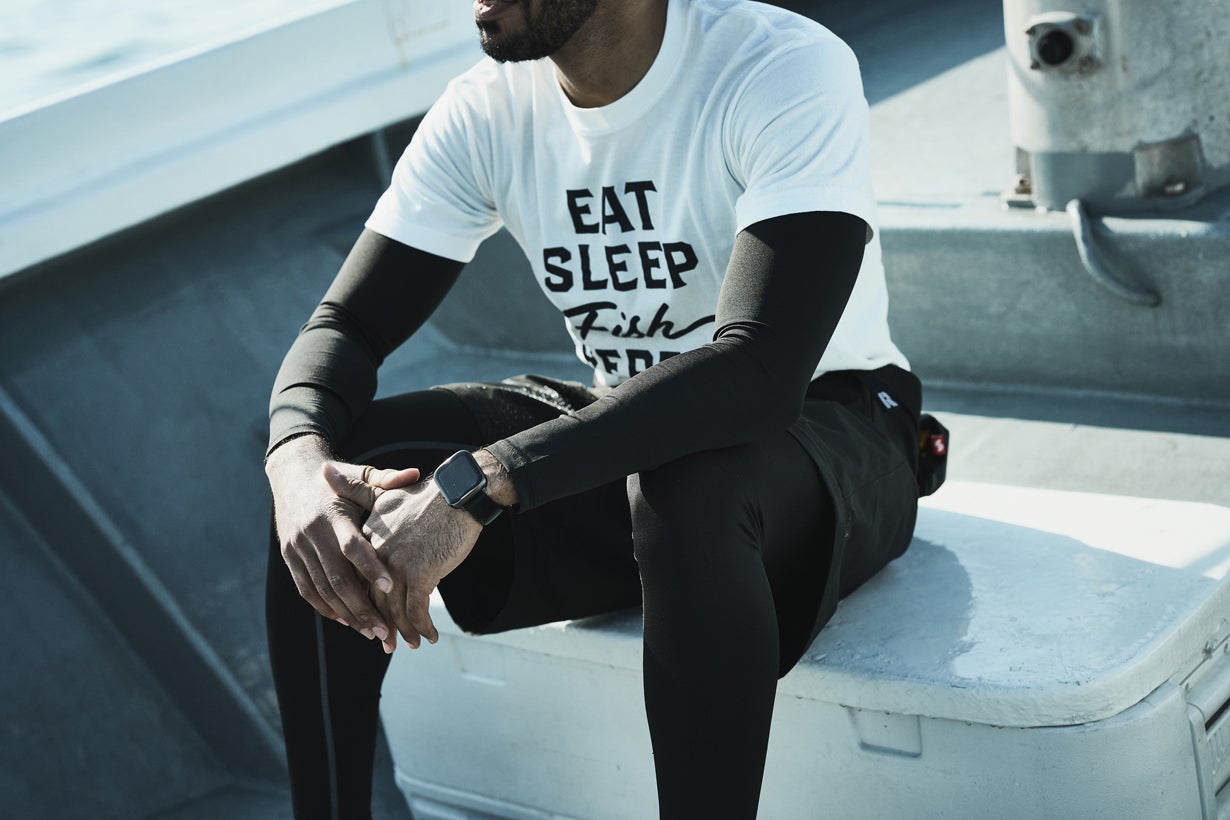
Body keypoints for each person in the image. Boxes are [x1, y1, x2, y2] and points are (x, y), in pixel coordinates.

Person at [264, 0, 934, 817]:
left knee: (690, 481)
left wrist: (482, 483)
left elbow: (760, 370)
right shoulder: (486, 111)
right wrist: (294, 462)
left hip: (836, 438)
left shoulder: (774, 64)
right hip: (639, 447)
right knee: (339, 470)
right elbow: (346, 327)